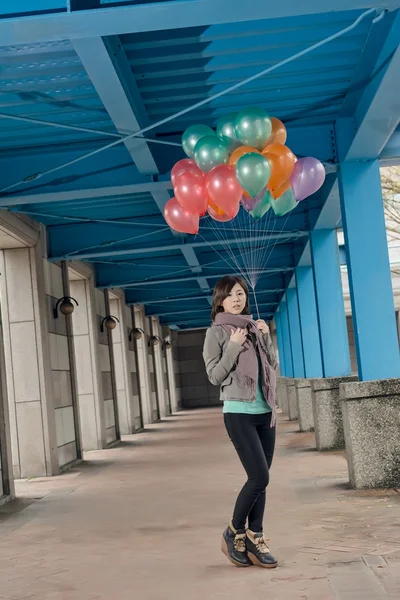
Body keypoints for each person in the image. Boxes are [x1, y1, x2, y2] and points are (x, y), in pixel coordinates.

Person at [203, 275, 278, 569]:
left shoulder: (253, 329)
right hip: (238, 412)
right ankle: (233, 531)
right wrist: (234, 345)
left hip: (265, 411)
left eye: (241, 293)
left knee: (261, 481)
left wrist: (266, 336)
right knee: (259, 477)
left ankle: (255, 537)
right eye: (231, 295)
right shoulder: (217, 333)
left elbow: (271, 365)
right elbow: (214, 376)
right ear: (220, 300)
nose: (238, 299)